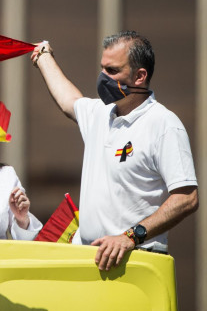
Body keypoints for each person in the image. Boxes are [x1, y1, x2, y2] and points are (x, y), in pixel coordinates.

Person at [31, 31, 199, 271]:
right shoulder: (101, 113)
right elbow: (68, 100)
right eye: (103, 69)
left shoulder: (163, 124)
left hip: (135, 263)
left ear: (140, 76)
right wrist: (43, 56)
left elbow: (186, 198)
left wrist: (130, 237)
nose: (103, 77)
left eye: (112, 71)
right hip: (88, 259)